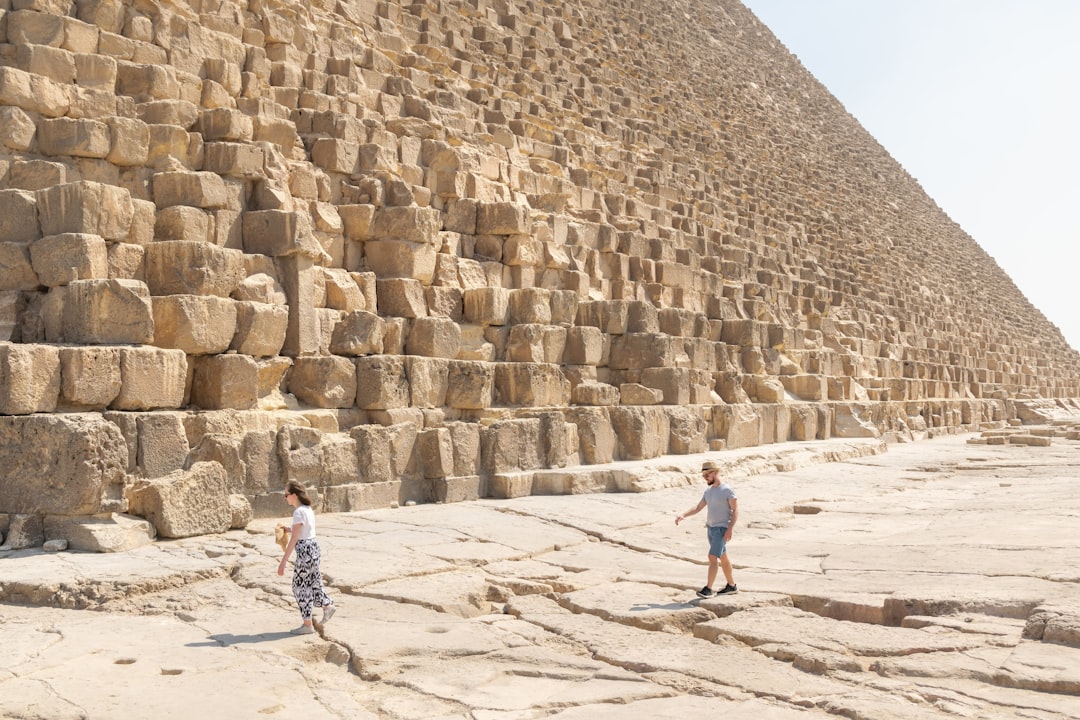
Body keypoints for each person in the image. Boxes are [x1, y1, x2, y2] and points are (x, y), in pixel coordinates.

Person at [277, 481, 336, 634]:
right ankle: (327, 605)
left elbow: (295, 539)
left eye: (286, 495)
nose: (285, 498)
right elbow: (304, 530)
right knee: (314, 582)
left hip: (304, 552)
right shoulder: (307, 509)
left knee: (300, 587)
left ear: (294, 495)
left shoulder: (298, 513)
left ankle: (307, 625)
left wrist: (283, 562)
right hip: (314, 549)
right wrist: (288, 529)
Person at [675, 460, 738, 597]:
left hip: (721, 529)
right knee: (723, 557)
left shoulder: (727, 490)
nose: (705, 478)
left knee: (712, 557)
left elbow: (735, 510)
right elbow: (698, 507)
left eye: (707, 475)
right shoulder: (708, 491)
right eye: (703, 475)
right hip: (711, 529)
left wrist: (730, 529)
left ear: (715, 473)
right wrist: (683, 515)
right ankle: (732, 586)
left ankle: (708, 589)